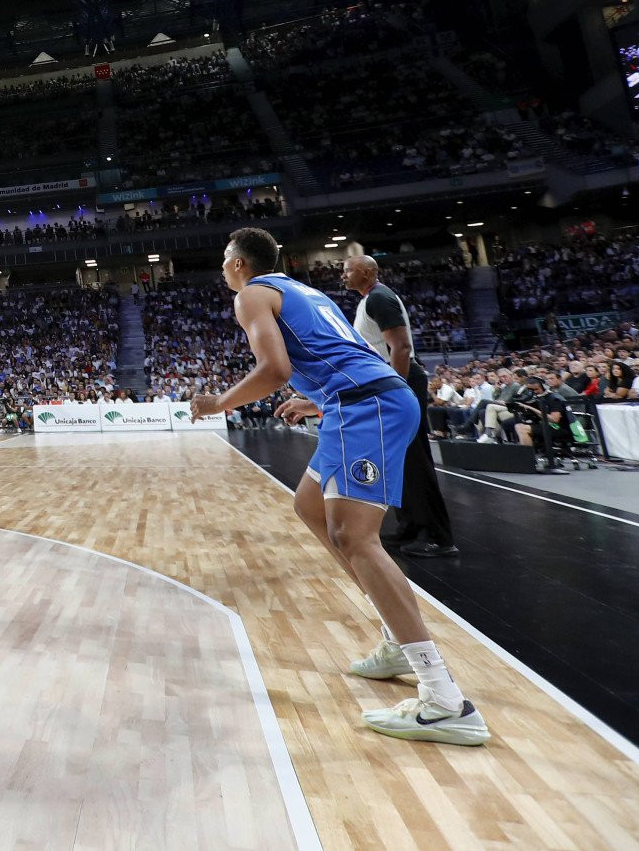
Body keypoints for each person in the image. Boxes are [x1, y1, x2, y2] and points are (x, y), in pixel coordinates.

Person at [194, 227, 487, 745]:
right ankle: (397, 640)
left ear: (239, 263)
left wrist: (218, 403)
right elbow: (343, 356)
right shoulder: (303, 292)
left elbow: (274, 368)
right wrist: (319, 400)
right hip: (357, 398)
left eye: (224, 260)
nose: (222, 268)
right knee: (309, 506)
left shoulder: (251, 295)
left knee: (356, 538)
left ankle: (445, 699)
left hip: (367, 405)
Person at [343, 251, 456, 558]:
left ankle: (438, 536)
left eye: (348, 270)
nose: (343, 275)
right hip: (391, 384)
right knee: (399, 460)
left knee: (415, 460)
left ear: (367, 272)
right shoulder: (370, 299)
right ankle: (411, 525)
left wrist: (397, 390)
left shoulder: (380, 298)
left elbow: (402, 347)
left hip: (401, 383)